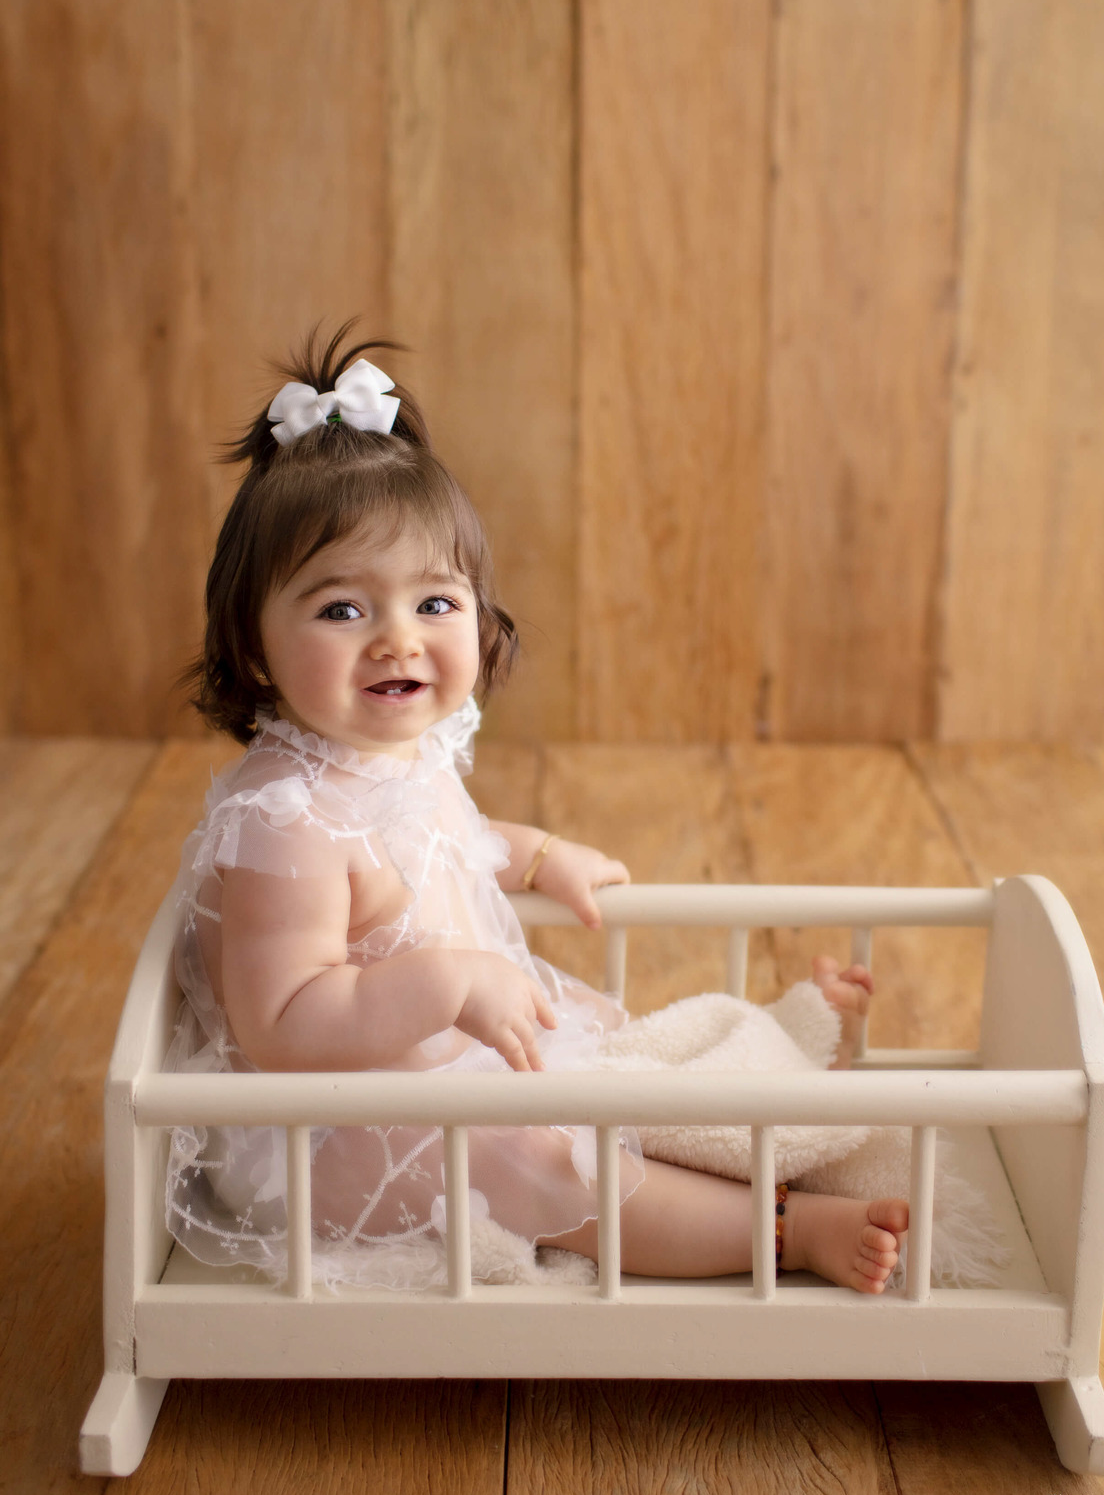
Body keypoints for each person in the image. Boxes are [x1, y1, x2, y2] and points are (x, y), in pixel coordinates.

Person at [166, 324, 908, 1292]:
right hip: (329, 1135)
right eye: (342, 609)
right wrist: (446, 987)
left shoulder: (398, 760)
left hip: (432, 1065)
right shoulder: (282, 821)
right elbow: (282, 1023)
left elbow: (442, 846)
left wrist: (532, 854)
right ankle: (783, 1227)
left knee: (601, 1033)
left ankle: (782, 1070)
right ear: (255, 647)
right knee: (545, 1159)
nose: (397, 638)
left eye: (434, 603)